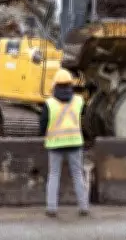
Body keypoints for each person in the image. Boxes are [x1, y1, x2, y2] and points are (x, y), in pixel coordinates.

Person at [40, 68, 90, 218]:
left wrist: (45, 135)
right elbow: (85, 116)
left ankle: (51, 208)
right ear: (71, 84)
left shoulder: (49, 103)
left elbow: (43, 124)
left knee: (54, 175)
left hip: (55, 144)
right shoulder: (79, 101)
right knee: (77, 174)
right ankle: (83, 207)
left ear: (55, 84)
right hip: (75, 143)